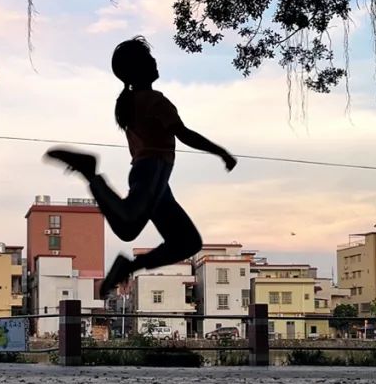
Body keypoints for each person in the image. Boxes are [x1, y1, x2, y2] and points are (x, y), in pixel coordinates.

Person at [44, 36, 236, 299]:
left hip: (153, 177)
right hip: (153, 173)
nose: (155, 62)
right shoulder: (155, 101)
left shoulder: (129, 103)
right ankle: (90, 172)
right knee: (128, 226)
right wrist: (221, 152)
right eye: (149, 59)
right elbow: (184, 134)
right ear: (140, 69)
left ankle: (128, 266)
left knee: (187, 242)